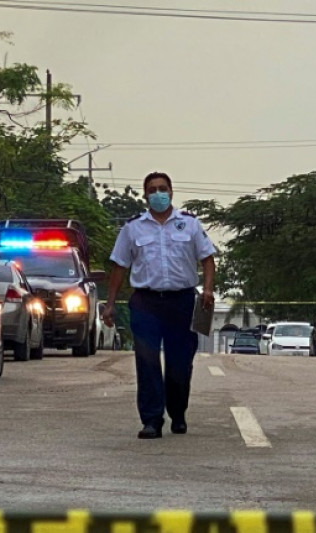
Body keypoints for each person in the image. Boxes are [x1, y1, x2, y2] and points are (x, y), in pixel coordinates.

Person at [102, 171, 216, 439]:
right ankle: (152, 419)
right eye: (152, 190)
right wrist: (110, 304)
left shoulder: (189, 224)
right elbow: (119, 266)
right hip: (146, 303)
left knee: (180, 363)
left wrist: (208, 289)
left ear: (171, 192)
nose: (158, 194)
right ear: (145, 195)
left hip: (182, 302)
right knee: (147, 361)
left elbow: (208, 259)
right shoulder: (133, 228)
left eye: (162, 188)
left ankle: (178, 412)